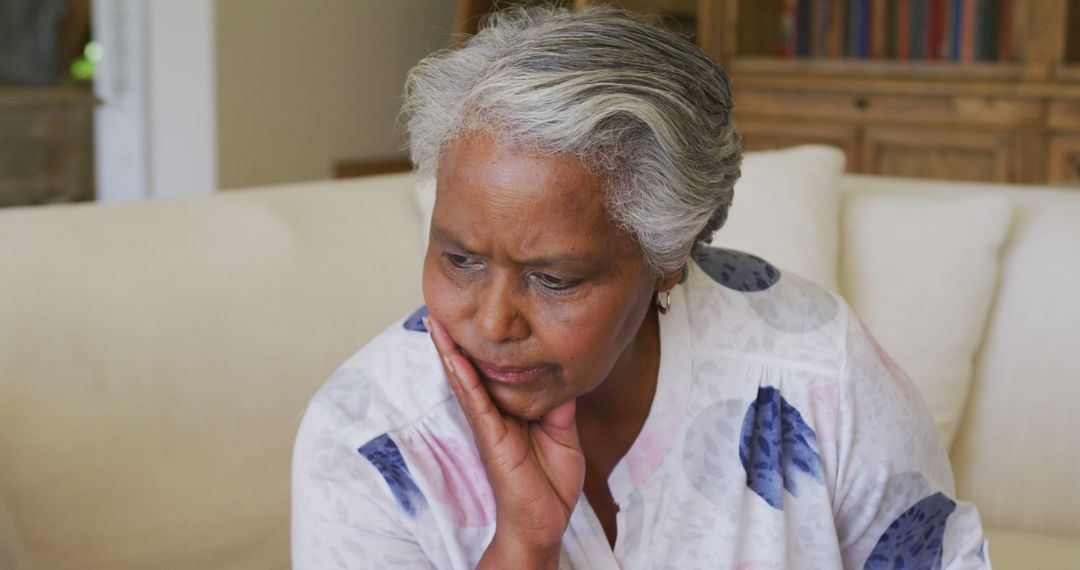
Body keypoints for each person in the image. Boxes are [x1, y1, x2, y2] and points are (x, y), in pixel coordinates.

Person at [291, 6, 989, 569]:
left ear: (669, 256)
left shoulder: (814, 370)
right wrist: (524, 546)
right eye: (460, 260)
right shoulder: (367, 438)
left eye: (554, 279)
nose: (494, 322)